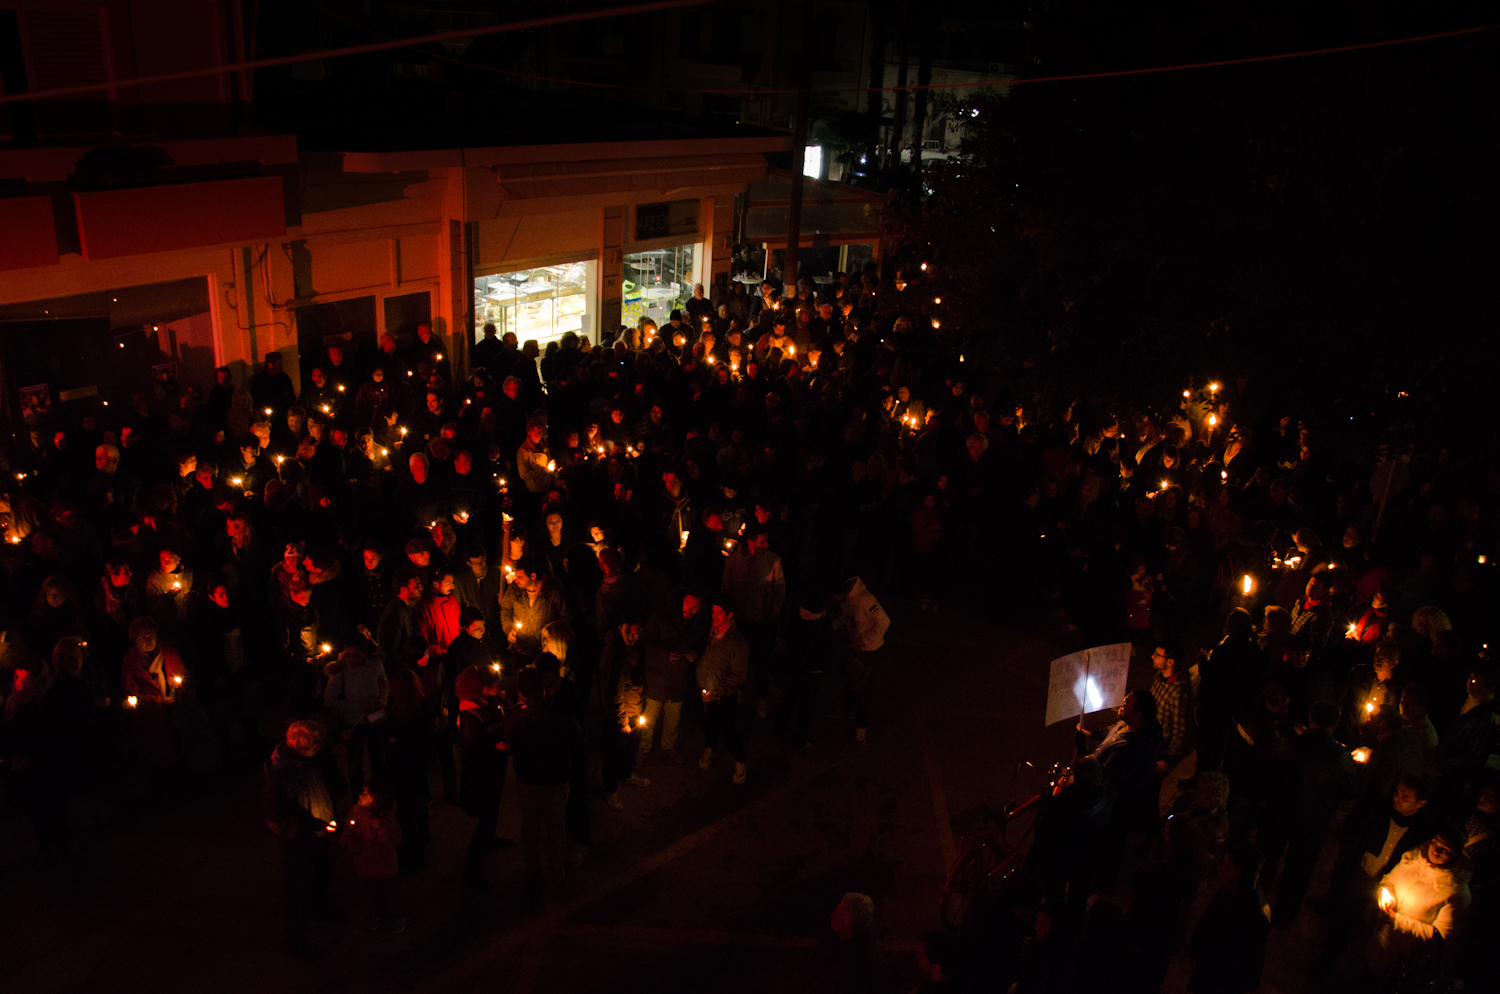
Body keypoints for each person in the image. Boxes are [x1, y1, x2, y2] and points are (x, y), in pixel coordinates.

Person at [262, 720, 348, 958]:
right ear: (299, 748)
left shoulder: (310, 760)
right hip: (298, 841)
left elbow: (331, 780)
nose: (319, 748)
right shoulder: (279, 776)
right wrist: (315, 824)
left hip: (320, 832)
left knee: (323, 871)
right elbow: (279, 819)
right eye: (315, 746)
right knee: (297, 888)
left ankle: (320, 908)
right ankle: (298, 940)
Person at [505, 666, 583, 896]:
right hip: (556, 783)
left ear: (521, 692)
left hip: (527, 782)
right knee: (555, 828)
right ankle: (555, 874)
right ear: (543, 688)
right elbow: (577, 745)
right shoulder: (562, 714)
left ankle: (532, 871)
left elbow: (509, 745)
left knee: (530, 826)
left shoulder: (515, 716)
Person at [1185, 844, 1270, 994]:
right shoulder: (1228, 888)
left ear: (1240, 874)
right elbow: (1210, 918)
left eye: (1227, 868)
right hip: (1209, 963)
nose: (1219, 870)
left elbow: (1255, 956)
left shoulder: (1256, 912)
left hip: (1226, 977)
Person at [697, 597, 750, 784]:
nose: (714, 616)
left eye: (719, 613)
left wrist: (717, 693)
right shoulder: (711, 632)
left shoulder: (737, 642)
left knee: (729, 731)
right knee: (708, 724)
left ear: (729, 615)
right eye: (713, 612)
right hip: (706, 691)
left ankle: (740, 760)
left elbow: (738, 676)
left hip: (723, 697)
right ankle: (710, 748)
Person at [831, 576, 889, 743]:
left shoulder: (864, 600)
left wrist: (864, 640)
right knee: (851, 678)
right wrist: (834, 625)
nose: (831, 599)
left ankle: (861, 727)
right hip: (856, 646)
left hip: (868, 650)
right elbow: (847, 616)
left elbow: (884, 621)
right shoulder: (848, 600)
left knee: (863, 688)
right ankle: (848, 709)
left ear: (840, 593)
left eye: (832, 596)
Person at [340, 781, 404, 933]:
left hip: (384, 868)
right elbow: (348, 828)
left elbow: (383, 849)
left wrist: (358, 848)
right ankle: (378, 915)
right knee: (371, 893)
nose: (360, 795)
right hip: (364, 867)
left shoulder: (385, 822)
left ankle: (398, 916)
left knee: (390, 894)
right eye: (362, 792)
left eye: (366, 794)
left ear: (377, 800)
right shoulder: (355, 810)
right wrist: (345, 838)